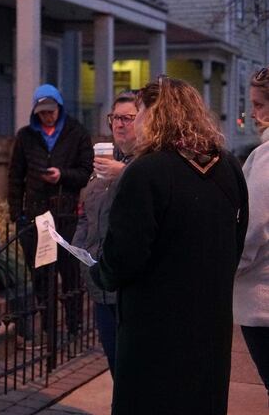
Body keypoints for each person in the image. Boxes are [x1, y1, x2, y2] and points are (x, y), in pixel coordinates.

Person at [91, 76, 249, 414]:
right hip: (210, 324)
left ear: (156, 114)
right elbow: (238, 239)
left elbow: (124, 256)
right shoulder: (229, 165)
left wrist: (100, 272)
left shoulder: (147, 171)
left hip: (155, 330)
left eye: (142, 111)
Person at [7, 84, 93, 348]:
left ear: (59, 108)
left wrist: (62, 175)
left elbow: (85, 170)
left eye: (52, 111)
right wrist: (17, 214)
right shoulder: (25, 137)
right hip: (35, 214)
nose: (48, 116)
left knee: (69, 274)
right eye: (43, 112)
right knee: (42, 275)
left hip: (65, 212)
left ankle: (74, 327)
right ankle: (48, 330)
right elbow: (15, 177)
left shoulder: (76, 132)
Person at [71, 91, 138, 374]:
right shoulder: (101, 166)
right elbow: (86, 214)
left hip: (129, 288)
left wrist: (123, 172)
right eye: (115, 118)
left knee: (134, 368)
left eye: (128, 118)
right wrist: (78, 247)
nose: (119, 124)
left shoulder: (147, 165)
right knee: (114, 362)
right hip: (100, 285)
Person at [233, 65, 269, 401]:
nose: (254, 114)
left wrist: (227, 267)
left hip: (263, 302)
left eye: (258, 104)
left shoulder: (266, 159)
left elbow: (251, 229)